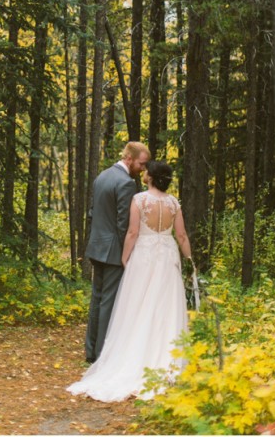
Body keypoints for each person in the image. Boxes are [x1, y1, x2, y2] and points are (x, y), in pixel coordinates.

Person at [68, 160, 192, 402]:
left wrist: (125, 257)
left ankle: (135, 357)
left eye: (147, 172)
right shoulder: (174, 203)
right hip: (167, 257)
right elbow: (181, 235)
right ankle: (166, 361)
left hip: (144, 257)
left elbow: (133, 232)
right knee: (164, 307)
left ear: (151, 178)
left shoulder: (139, 200)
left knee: (137, 305)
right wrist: (190, 260)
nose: (143, 173)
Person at [82, 141, 150, 363]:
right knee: (108, 303)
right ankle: (103, 355)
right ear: (129, 158)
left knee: (97, 299)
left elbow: (92, 212)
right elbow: (124, 224)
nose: (143, 168)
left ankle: (91, 351)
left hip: (97, 246)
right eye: (141, 163)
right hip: (113, 251)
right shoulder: (126, 183)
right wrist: (127, 254)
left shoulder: (102, 176)